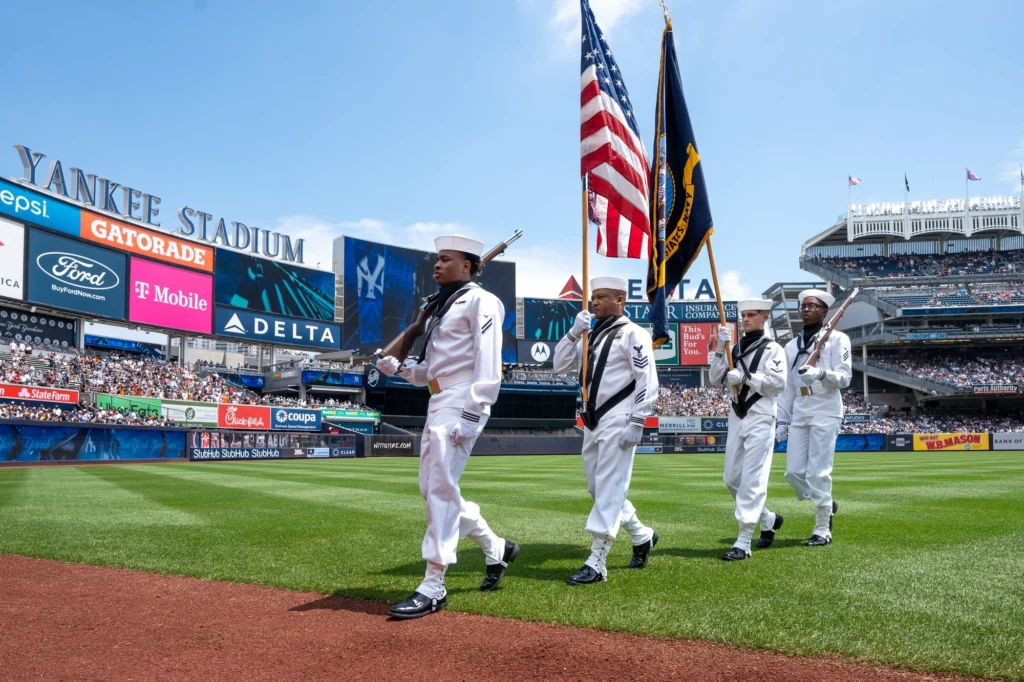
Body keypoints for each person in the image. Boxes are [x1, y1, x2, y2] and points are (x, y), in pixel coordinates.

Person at [375, 234, 517, 619]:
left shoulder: (482, 301)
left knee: (438, 488)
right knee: (433, 487)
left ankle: (433, 584)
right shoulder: (441, 308)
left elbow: (489, 363)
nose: (436, 265)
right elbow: (429, 374)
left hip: (463, 398)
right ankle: (496, 548)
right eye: (436, 259)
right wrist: (400, 368)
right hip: (439, 398)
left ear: (467, 265)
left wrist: (474, 411)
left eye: (445, 259)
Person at [552, 276, 659, 585]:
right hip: (592, 419)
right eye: (593, 297)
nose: (594, 302)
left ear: (620, 300)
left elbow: (647, 379)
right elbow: (559, 366)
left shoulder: (633, 334)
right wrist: (573, 333)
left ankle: (597, 560)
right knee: (597, 488)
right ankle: (642, 535)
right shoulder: (590, 335)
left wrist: (638, 420)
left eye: (601, 297)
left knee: (610, 486)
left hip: (619, 417)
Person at [709, 300, 787, 561]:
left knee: (753, 479)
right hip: (737, 414)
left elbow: (777, 384)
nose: (746, 319)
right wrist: (721, 349)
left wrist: (747, 378)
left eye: (751, 315)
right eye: (743, 315)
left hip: (761, 415)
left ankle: (743, 541)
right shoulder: (735, 347)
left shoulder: (773, 348)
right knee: (731, 479)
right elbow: (714, 378)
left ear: (765, 317)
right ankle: (768, 519)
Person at [776, 289, 852, 546]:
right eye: (803, 306)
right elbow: (787, 387)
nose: (806, 309)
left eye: (812, 306)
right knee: (794, 472)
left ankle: (822, 528)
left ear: (824, 311)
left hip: (826, 408)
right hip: (801, 408)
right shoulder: (791, 345)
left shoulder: (838, 339)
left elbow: (844, 377)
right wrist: (781, 420)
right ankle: (826, 502)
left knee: (818, 473)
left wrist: (821, 374)